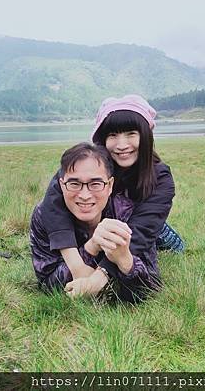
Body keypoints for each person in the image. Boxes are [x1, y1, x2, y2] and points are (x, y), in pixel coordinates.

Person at [37, 94, 182, 302]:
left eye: (131, 134)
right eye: (113, 135)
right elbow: (53, 203)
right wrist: (77, 266)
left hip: (149, 225)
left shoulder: (160, 177)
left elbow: (141, 233)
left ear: (145, 136)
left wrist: (97, 278)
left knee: (168, 244)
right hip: (107, 228)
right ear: (102, 139)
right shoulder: (91, 165)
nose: (121, 145)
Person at [30, 142, 123, 294]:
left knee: (164, 237)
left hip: (152, 228)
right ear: (62, 185)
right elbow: (48, 282)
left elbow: (144, 270)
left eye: (95, 183)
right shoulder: (44, 215)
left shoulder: (124, 210)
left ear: (110, 185)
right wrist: (91, 247)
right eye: (74, 183)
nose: (85, 195)